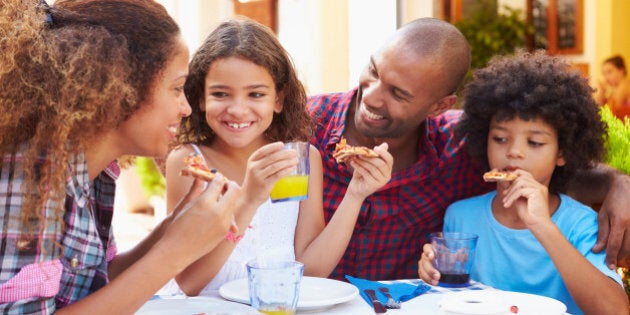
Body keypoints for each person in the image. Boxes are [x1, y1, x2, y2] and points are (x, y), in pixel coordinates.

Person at [307, 17, 630, 281]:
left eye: (399, 93)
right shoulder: (306, 125)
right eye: (374, 71)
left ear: (439, 106)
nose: (373, 97)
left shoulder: (463, 146)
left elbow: (549, 168)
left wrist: (619, 183)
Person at [0, 1, 241, 313]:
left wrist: (174, 226)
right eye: (176, 88)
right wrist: (176, 251)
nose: (186, 108)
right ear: (121, 91)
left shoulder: (95, 173)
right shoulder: (32, 177)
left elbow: (97, 283)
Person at [163, 18, 393, 296]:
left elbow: (310, 270)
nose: (238, 109)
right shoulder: (191, 164)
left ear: (279, 99)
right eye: (221, 93)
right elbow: (191, 282)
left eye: (256, 94)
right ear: (200, 98)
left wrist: (355, 195)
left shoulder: (299, 161)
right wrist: (248, 199)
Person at [417, 51, 629, 315]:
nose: (514, 152)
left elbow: (615, 311)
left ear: (562, 153)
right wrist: (433, 274)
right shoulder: (461, 216)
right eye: (500, 138)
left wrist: (542, 226)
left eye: (535, 142)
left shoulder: (581, 224)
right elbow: (453, 300)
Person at [595, 54, 630, 121]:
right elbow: (597, 106)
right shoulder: (615, 88)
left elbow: (611, 110)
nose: (606, 77)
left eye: (609, 72)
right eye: (604, 73)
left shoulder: (625, 84)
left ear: (621, 71)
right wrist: (602, 92)